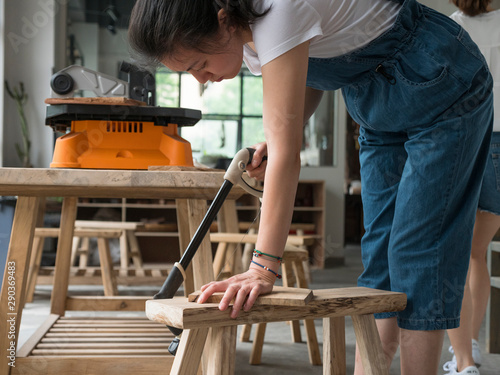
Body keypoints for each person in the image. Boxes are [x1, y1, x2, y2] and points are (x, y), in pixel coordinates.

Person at [128, 1, 494, 374]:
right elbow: (311, 72)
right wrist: (284, 130)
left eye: (196, 65)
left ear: (222, 21)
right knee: (380, 252)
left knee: (417, 252)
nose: (201, 80)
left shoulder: (276, 9)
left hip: (443, 85)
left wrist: (262, 268)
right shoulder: (247, 28)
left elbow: (288, 159)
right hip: (376, 103)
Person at [443, 1, 500, 374]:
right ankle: (472, 348)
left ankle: (463, 362)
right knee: (477, 253)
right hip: (499, 143)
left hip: (460, 137)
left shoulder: (449, 27)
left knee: (457, 254)